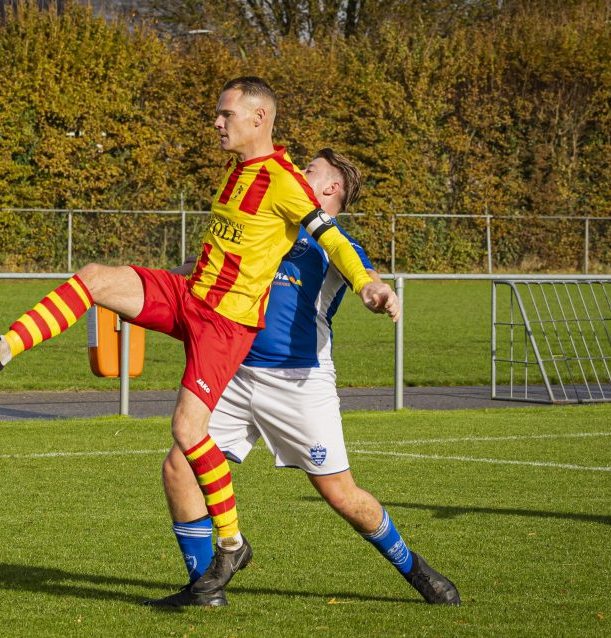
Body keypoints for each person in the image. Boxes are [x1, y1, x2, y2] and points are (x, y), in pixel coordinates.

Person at [0, 77, 399, 599]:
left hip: (225, 325)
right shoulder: (238, 171)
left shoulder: (285, 182)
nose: (216, 121)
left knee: (188, 432)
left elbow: (335, 241)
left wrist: (369, 283)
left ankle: (231, 545)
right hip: (191, 295)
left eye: (225, 114)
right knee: (96, 277)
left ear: (258, 119)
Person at [146, 148, 460, 608]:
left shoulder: (334, 243)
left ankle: (416, 570)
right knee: (178, 467)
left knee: (341, 495)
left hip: (298, 383)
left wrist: (375, 291)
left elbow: (363, 275)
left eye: (308, 171)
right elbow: (203, 268)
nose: (295, 174)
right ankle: (203, 588)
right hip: (232, 370)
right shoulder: (267, 224)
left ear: (331, 189)